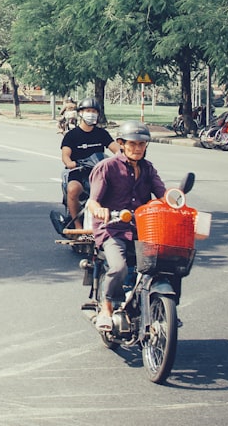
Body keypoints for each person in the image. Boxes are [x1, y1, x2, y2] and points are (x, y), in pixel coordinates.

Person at [85, 120, 166, 332]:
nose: (137, 148)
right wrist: (99, 210)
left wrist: (175, 202)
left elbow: (163, 196)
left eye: (142, 144)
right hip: (112, 230)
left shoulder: (148, 169)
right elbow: (92, 201)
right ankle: (107, 307)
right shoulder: (107, 167)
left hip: (142, 229)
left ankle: (161, 308)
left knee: (166, 265)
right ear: (121, 143)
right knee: (119, 267)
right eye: (132, 144)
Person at [59, 98, 121, 232]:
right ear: (80, 113)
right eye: (88, 111)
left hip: (99, 172)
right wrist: (70, 163)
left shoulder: (102, 134)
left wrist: (121, 156)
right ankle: (77, 226)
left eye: (94, 111)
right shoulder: (72, 135)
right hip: (79, 171)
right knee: (73, 189)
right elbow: (65, 155)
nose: (91, 114)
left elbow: (116, 149)